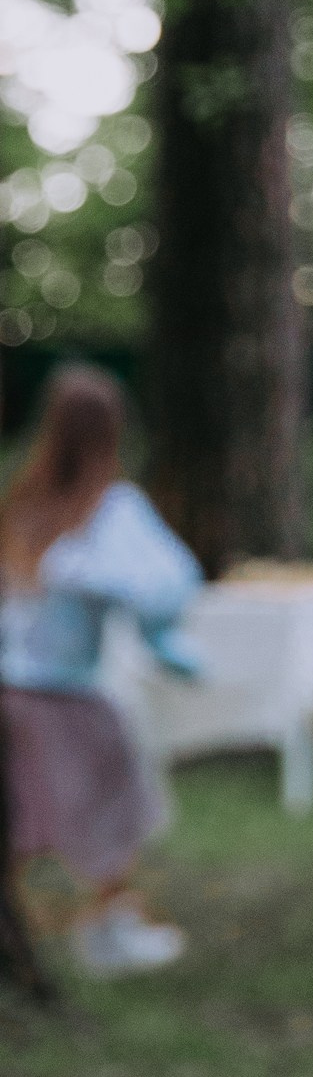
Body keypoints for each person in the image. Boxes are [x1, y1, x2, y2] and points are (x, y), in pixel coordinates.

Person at [0, 363, 201, 975]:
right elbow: (169, 583)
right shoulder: (111, 508)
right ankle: (107, 928)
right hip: (64, 696)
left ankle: (26, 936)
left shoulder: (22, 504)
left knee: (18, 815)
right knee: (118, 803)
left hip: (8, 690)